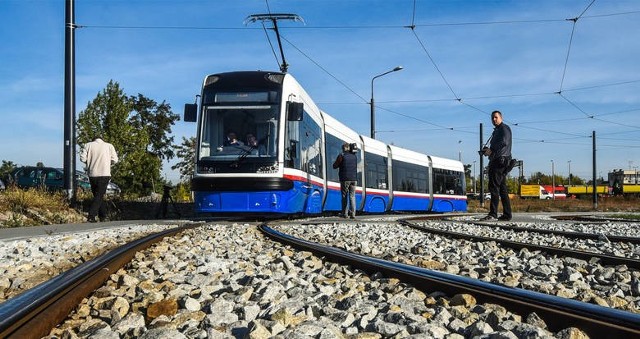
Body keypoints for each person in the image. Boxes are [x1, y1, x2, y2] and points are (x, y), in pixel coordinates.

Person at [481, 110, 512, 221]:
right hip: (499, 160)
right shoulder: (497, 130)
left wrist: (492, 151)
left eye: (496, 117)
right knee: (502, 188)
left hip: (499, 161)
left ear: (501, 118)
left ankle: (493, 214)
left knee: (494, 187)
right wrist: (487, 151)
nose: (494, 119)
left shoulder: (504, 129)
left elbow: (504, 142)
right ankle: (507, 214)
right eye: (492, 118)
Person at [80, 136, 118, 222]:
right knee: (99, 195)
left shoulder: (88, 145)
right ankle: (91, 215)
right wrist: (108, 163)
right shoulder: (109, 146)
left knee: (97, 195)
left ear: (93, 140)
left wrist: (90, 161)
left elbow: (82, 158)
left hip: (92, 174)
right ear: (102, 139)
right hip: (105, 173)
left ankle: (103, 215)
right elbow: (115, 160)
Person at [333, 143, 357, 219]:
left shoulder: (341, 156)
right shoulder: (354, 156)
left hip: (345, 179)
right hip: (354, 179)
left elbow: (335, 166)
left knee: (344, 196)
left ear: (344, 148)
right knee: (352, 196)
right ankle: (353, 214)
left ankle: (345, 214)